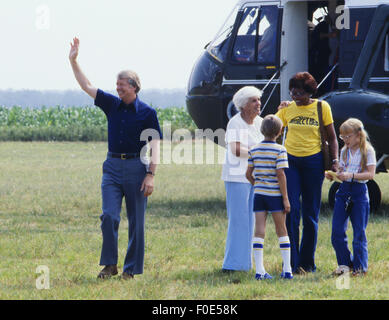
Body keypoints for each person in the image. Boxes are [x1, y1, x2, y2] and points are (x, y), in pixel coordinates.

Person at [69, 37, 162, 279]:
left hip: (137, 168)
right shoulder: (111, 104)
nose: (117, 88)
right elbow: (86, 85)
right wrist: (74, 60)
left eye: (122, 85)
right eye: (116, 85)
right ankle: (110, 265)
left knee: (136, 222)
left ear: (134, 86)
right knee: (109, 215)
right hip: (111, 166)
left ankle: (130, 270)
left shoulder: (148, 113)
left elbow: (155, 146)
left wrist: (151, 175)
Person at [275, 72, 338, 274]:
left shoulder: (322, 107)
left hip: (314, 162)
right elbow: (271, 129)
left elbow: (332, 138)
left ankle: (307, 263)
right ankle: (291, 263)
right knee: (290, 211)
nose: (295, 97)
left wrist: (335, 161)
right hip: (290, 162)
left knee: (311, 214)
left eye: (300, 93)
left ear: (310, 92)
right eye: (292, 93)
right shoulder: (287, 109)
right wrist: (279, 111)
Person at [325, 118, 376, 277]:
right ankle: (345, 265)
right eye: (342, 137)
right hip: (344, 191)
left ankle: (361, 268)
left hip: (360, 191)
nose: (345, 140)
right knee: (337, 232)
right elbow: (343, 171)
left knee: (359, 232)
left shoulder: (368, 151)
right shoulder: (344, 151)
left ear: (358, 135)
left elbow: (370, 174)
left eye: (348, 136)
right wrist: (336, 174)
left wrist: (351, 175)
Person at [221, 86, 264, 272]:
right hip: (236, 178)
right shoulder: (235, 123)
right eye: (253, 101)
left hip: (255, 177)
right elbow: (236, 149)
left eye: (258, 100)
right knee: (238, 220)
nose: (258, 104)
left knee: (252, 221)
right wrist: (259, 154)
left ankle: (246, 264)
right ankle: (232, 264)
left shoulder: (261, 122)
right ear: (243, 105)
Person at [246, 115, 293, 280]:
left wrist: (257, 184)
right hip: (275, 195)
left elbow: (248, 174)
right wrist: (285, 198)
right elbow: (281, 174)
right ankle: (287, 269)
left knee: (259, 231)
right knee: (281, 230)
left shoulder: (254, 149)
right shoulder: (280, 150)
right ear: (280, 132)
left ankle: (259, 270)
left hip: (259, 195)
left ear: (261, 130)